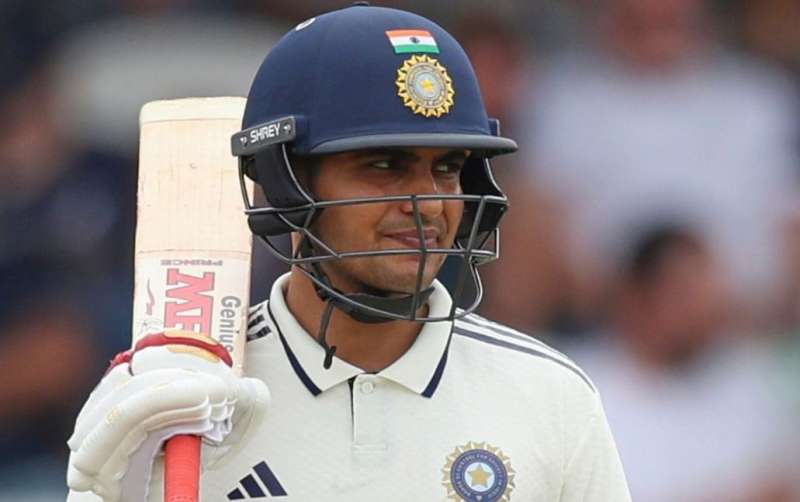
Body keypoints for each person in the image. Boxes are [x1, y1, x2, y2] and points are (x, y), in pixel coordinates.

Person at [66, 5, 631, 501]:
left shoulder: (551, 397)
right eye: (384, 166)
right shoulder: (182, 401)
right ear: (287, 183)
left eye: (447, 168)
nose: (428, 204)